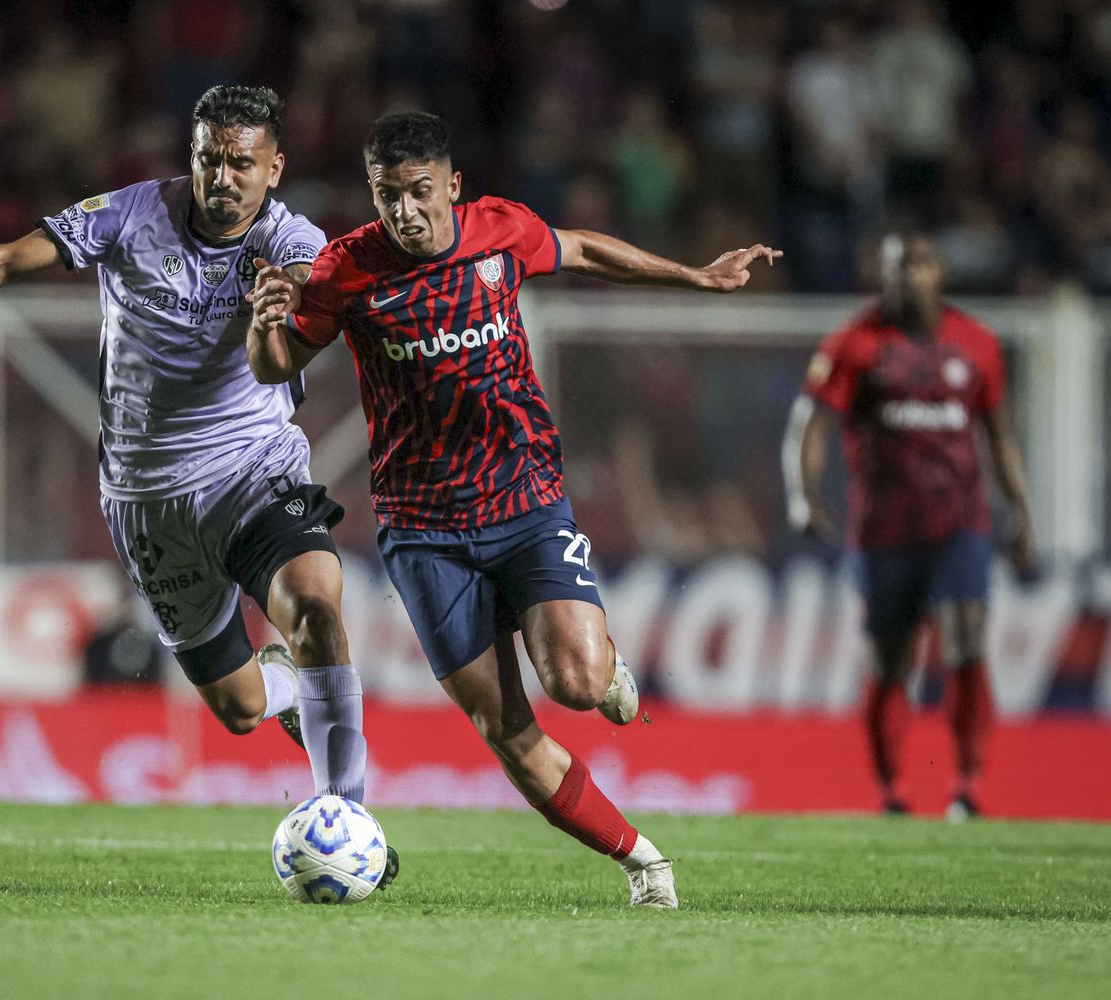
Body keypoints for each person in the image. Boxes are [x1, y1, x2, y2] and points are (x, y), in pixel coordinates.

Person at [0, 86, 397, 885]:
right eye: (209, 159)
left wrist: (285, 300)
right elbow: (7, 261)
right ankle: (288, 687)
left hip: (252, 469)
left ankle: (347, 819)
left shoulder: (290, 238)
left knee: (319, 608)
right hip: (146, 498)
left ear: (273, 168)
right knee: (241, 709)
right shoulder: (130, 214)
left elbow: (307, 288)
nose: (223, 178)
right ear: (192, 156)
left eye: (242, 164)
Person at [248, 111, 782, 908]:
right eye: (387, 195)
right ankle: (645, 863)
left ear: (452, 186)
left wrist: (695, 276)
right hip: (423, 532)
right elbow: (278, 362)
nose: (404, 211)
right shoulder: (344, 271)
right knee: (507, 732)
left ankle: (601, 659)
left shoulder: (499, 230)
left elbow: (586, 249)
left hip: (526, 500)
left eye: (420, 192)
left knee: (576, 681)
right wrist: (262, 325)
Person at [783, 232, 1033, 819]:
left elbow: (1000, 437)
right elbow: (811, 423)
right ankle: (892, 789)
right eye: (896, 268)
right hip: (883, 532)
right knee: (891, 663)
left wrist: (1020, 509)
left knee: (966, 639)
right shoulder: (856, 342)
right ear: (884, 275)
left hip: (960, 524)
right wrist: (803, 496)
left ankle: (968, 786)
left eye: (917, 265)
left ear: (937, 271)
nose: (907, 277)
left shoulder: (977, 344)